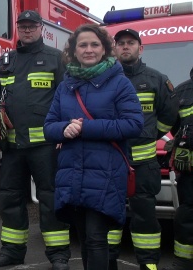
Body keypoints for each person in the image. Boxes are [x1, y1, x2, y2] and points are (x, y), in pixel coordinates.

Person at [43, 24, 144, 269]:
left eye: (94, 45)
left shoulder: (120, 83)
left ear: (104, 49)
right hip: (72, 171)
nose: (89, 50)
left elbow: (134, 124)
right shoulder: (65, 86)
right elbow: (49, 127)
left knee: (97, 237)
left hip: (105, 171)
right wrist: (64, 129)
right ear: (74, 51)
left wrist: (86, 127)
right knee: (86, 239)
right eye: (83, 45)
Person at [0, 10, 71, 269]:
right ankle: (11, 251)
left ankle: (58, 254)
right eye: (23, 26)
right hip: (11, 146)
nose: (27, 30)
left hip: (46, 146)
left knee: (50, 199)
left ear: (41, 28)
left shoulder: (56, 59)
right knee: (9, 199)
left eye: (32, 26)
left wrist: (64, 133)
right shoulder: (6, 60)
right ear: (18, 29)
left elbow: (67, 100)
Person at [108, 28, 179, 270]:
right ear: (114, 49)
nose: (125, 47)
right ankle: (107, 261)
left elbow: (169, 116)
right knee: (109, 214)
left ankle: (148, 263)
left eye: (130, 43)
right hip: (111, 161)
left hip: (144, 164)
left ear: (141, 48)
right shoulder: (106, 79)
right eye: (121, 43)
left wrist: (149, 134)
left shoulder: (157, 79)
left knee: (145, 216)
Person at [161, 67, 193, 270]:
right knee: (187, 215)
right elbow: (174, 125)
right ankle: (183, 262)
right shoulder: (182, 91)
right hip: (190, 170)